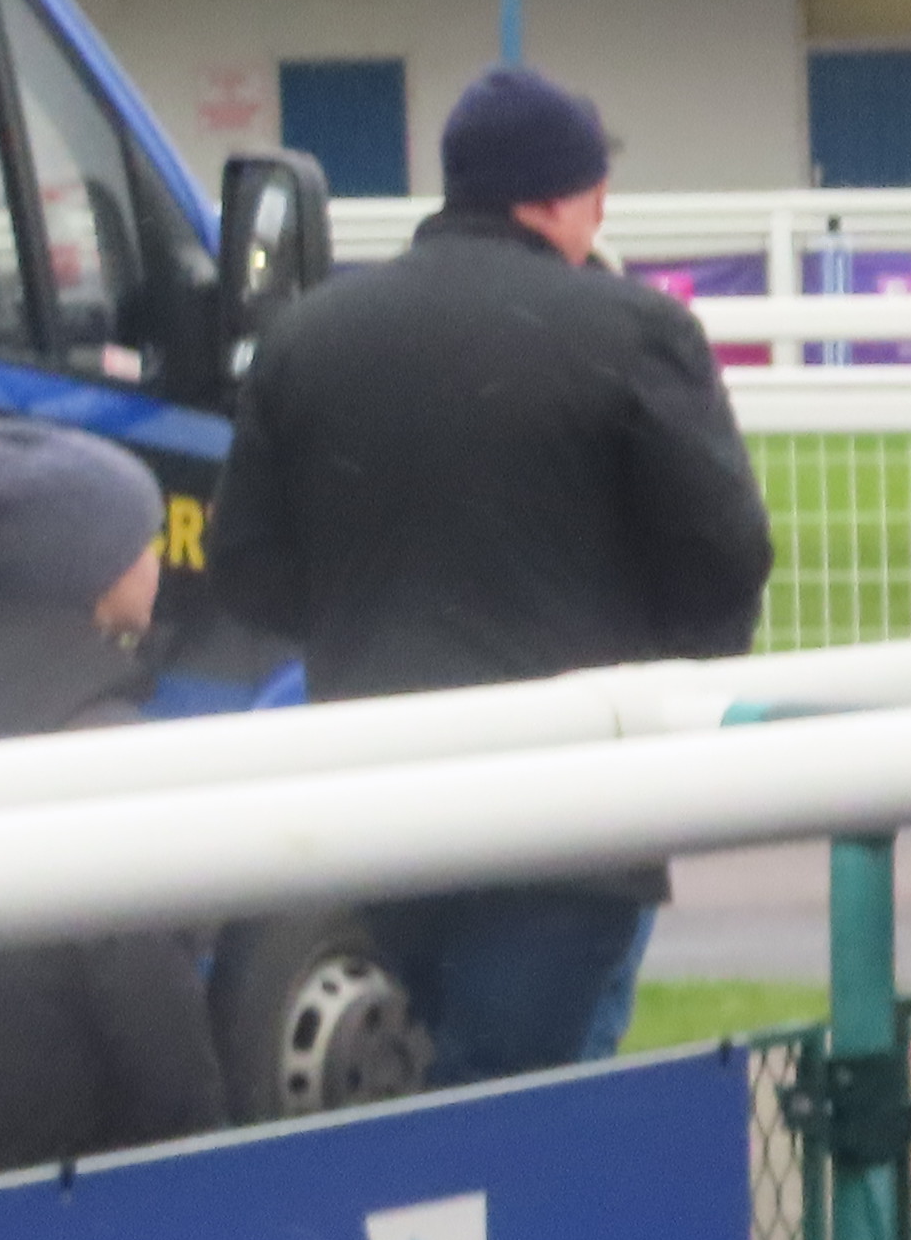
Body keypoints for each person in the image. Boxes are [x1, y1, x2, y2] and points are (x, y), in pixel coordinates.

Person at [207, 66, 771, 1080]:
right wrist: (658, 670)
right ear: (556, 197)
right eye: (598, 189)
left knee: (464, 1084)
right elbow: (727, 556)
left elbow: (245, 565)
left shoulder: (308, 338)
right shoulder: (634, 332)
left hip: (384, 797)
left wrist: (367, 626)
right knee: (534, 1102)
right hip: (579, 805)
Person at [0, 395, 228, 1181]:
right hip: (77, 1167)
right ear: (92, 576)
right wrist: (203, 1159)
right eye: (141, 542)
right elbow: (149, 1000)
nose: (160, 560)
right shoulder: (94, 742)